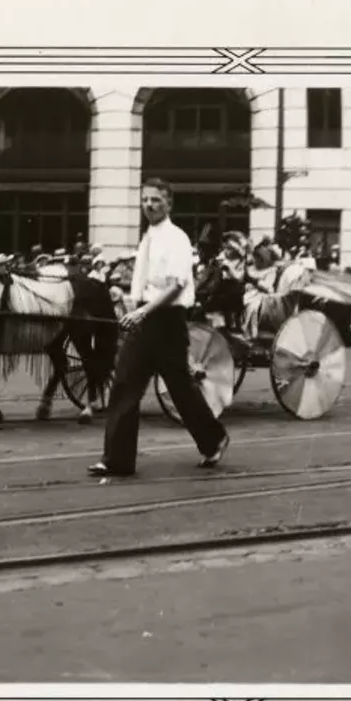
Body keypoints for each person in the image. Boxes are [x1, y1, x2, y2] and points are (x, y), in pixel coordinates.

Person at [89, 178, 229, 478]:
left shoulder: (176, 238)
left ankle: (214, 438)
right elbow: (142, 282)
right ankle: (117, 460)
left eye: (155, 200)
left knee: (180, 389)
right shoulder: (148, 237)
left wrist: (142, 312)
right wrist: (128, 302)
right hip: (145, 320)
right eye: (145, 200)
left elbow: (177, 286)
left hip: (167, 320)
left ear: (169, 204)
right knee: (125, 384)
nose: (149, 205)